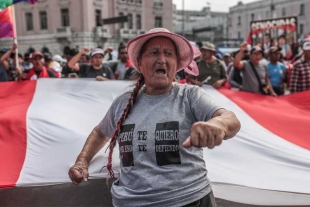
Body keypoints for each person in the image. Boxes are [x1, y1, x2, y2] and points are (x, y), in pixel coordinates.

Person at [68, 28, 241, 207]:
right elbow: (100, 132)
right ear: (140, 63)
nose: (162, 59)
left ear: (176, 64)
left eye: (168, 53)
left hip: (190, 200)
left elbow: (231, 119)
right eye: (154, 53)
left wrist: (218, 125)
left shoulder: (190, 96)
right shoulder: (123, 102)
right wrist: (82, 161)